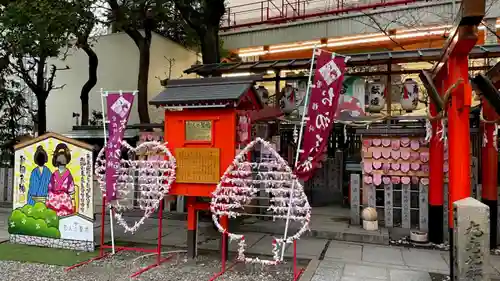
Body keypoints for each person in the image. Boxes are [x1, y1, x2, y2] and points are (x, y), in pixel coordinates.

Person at [46, 143, 75, 216]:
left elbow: (50, 188)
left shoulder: (67, 175)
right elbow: (50, 188)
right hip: (58, 198)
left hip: (60, 198)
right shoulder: (56, 175)